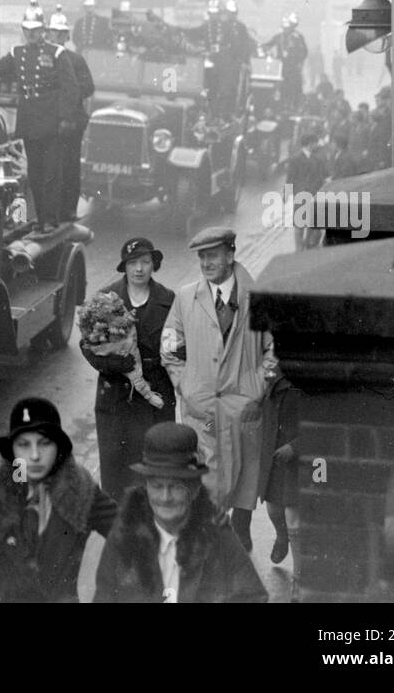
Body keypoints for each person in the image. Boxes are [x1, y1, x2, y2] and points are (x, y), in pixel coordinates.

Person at [160, 225, 273, 553]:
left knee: (244, 469)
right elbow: (169, 347)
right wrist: (185, 385)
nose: (206, 263)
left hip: (244, 402)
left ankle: (241, 526)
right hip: (201, 405)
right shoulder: (185, 297)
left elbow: (275, 349)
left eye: (213, 256)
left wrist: (258, 388)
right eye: (202, 257)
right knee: (203, 475)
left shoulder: (259, 298)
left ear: (231, 255)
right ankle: (207, 538)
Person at [0, 397, 117, 603]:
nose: (35, 456)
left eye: (45, 443)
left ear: (58, 448)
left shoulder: (80, 488)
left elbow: (131, 531)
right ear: (12, 451)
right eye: (24, 445)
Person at [93, 422, 267, 604]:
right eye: (157, 486)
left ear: (194, 488)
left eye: (176, 487)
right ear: (146, 488)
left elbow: (253, 597)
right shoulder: (125, 535)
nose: (165, 497)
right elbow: (103, 597)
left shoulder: (217, 536)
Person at [0, 1, 81, 235]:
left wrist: (64, 118)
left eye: (35, 30)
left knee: (51, 172)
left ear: (43, 30)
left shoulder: (57, 53)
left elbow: (70, 88)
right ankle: (41, 217)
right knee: (35, 172)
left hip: (51, 119)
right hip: (30, 117)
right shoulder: (18, 53)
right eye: (27, 30)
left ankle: (50, 218)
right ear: (23, 31)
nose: (31, 34)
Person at [80, 237, 176, 501]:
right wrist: (108, 363)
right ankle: (118, 533)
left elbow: (180, 346)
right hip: (116, 400)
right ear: (125, 267)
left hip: (156, 399)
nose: (139, 269)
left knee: (155, 473)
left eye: (145, 262)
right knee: (116, 475)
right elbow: (87, 344)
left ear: (153, 265)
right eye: (133, 263)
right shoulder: (106, 299)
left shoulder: (168, 300)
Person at [47, 5, 94, 222]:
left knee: (69, 168)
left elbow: (88, 87)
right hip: (47, 122)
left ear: (67, 36)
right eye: (53, 33)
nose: (56, 36)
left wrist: (68, 92)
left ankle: (68, 210)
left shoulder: (76, 60)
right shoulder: (42, 58)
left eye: (60, 33)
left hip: (71, 124)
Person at [258, 359, 300, 590]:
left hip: (303, 459)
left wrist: (295, 447)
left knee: (296, 520)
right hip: (276, 453)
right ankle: (281, 536)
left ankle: (300, 578)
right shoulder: (273, 375)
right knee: (274, 508)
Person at [263, 15, 308, 113]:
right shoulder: (279, 37)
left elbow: (304, 52)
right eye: (285, 28)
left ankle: (294, 105)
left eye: (288, 28)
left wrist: (298, 60)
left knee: (295, 86)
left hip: (293, 67)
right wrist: (262, 48)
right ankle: (281, 105)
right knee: (281, 86)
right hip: (281, 67)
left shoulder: (297, 37)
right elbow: (269, 44)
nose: (286, 30)